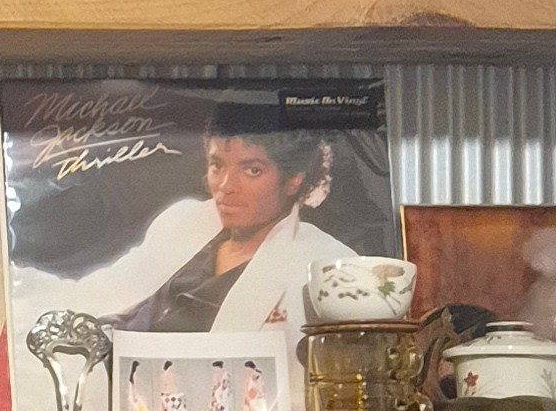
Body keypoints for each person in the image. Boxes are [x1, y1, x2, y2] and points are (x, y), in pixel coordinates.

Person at [62, 105, 359, 335]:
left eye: (252, 170)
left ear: (293, 180)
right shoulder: (186, 220)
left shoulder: (325, 263)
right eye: (217, 165)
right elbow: (98, 294)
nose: (226, 186)